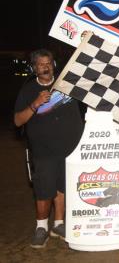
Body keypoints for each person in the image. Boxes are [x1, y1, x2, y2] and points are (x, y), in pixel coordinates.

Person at [14, 49, 84, 248]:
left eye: (48, 63)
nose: (45, 67)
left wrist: (85, 39)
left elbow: (87, 70)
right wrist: (35, 104)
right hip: (43, 150)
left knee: (63, 187)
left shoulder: (66, 84)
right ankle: (41, 227)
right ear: (34, 68)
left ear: (54, 65)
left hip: (70, 148)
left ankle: (59, 224)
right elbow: (18, 121)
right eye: (40, 64)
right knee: (44, 189)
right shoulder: (28, 90)